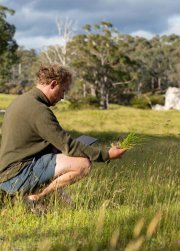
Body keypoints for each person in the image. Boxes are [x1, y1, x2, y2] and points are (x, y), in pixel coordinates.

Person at [0, 64, 126, 210]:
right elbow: (69, 146)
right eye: (63, 91)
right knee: (82, 164)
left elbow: (37, 143)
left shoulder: (22, 101)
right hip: (17, 175)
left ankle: (40, 203)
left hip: (10, 172)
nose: (62, 97)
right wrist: (106, 155)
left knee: (68, 205)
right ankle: (34, 198)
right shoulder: (39, 110)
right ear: (53, 84)